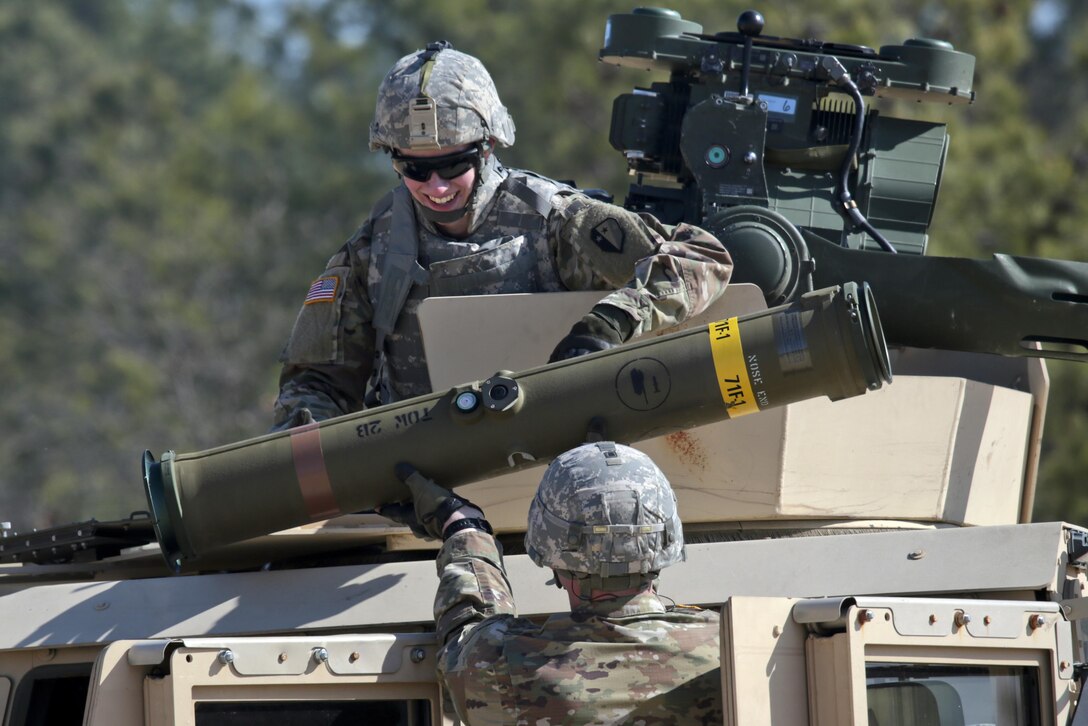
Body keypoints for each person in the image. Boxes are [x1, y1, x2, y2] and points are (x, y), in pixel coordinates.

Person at [272, 42, 733, 430]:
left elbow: (702, 257)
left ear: (488, 147)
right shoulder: (372, 251)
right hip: (424, 483)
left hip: (563, 464)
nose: (436, 186)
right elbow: (315, 382)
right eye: (415, 168)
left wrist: (610, 323)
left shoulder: (557, 220)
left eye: (454, 164)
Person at [381, 442, 722, 725]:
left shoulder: (505, 667)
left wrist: (465, 529)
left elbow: (468, 631)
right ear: (668, 538)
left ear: (548, 546)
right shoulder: (729, 647)